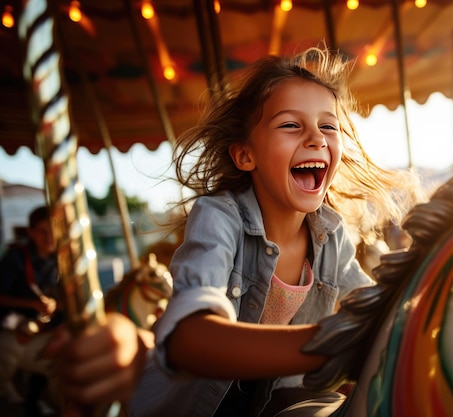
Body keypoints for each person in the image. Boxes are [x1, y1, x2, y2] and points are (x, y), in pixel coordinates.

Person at [44, 45, 423, 416]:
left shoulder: (331, 234)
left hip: (274, 403)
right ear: (245, 155)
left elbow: (373, 306)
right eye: (291, 125)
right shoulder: (220, 217)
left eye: (328, 126)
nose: (316, 138)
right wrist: (329, 344)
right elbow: (188, 338)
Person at [0, 205, 63, 416]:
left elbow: (63, 297)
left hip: (48, 324)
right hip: (18, 323)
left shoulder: (59, 260)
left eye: (53, 231)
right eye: (42, 232)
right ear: (31, 233)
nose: (49, 238)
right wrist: (32, 305)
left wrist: (55, 304)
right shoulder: (16, 258)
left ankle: (37, 400)